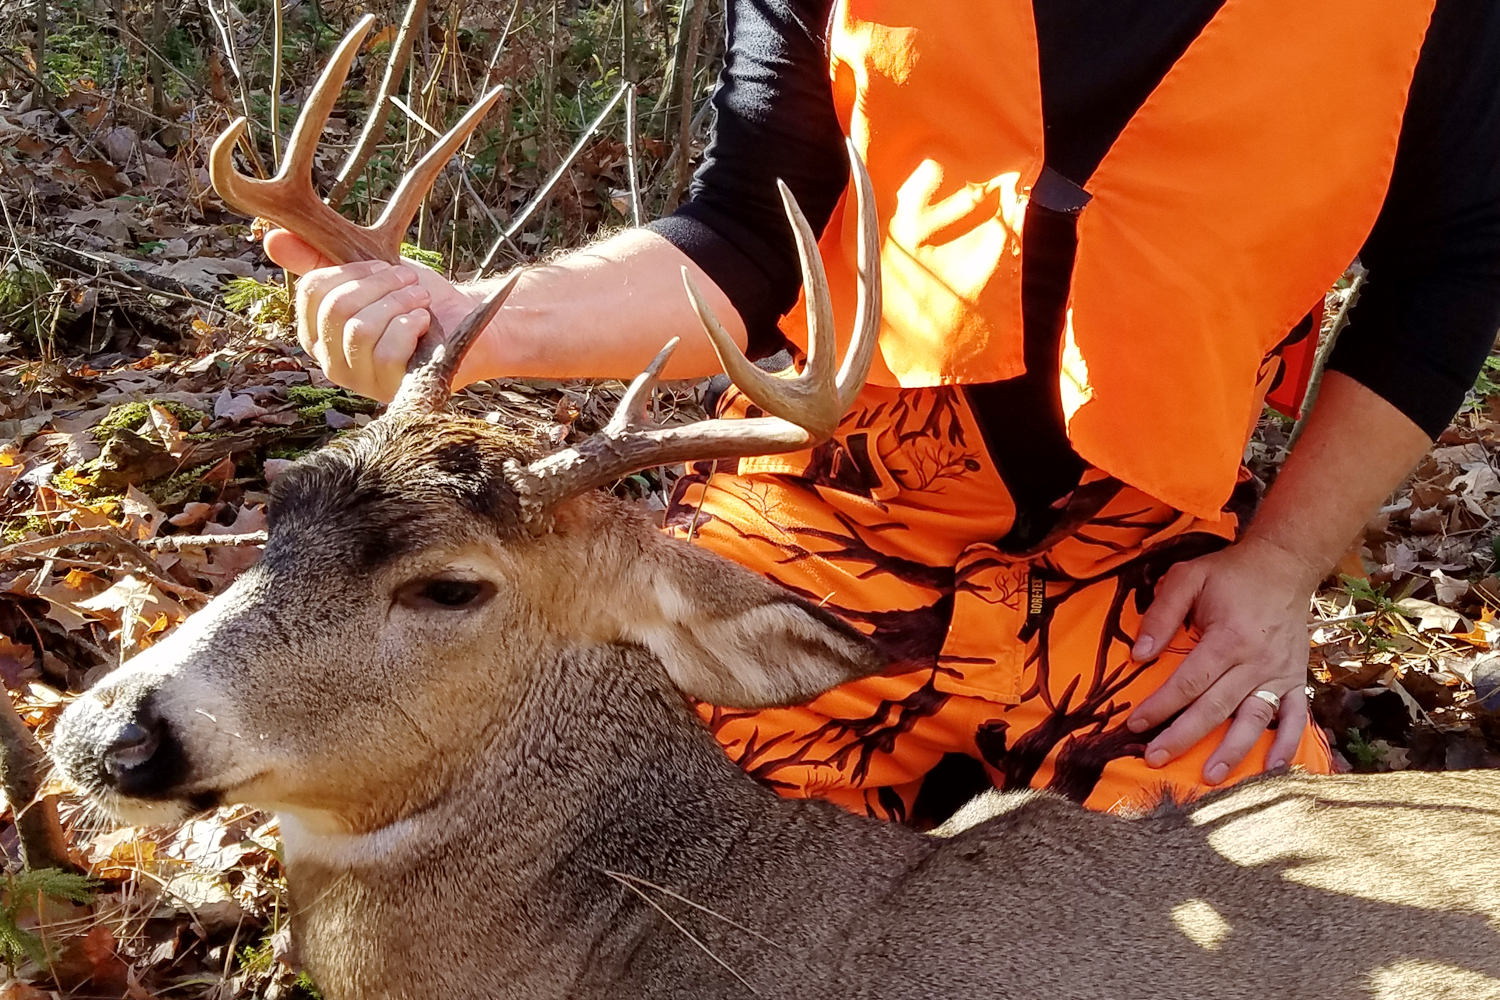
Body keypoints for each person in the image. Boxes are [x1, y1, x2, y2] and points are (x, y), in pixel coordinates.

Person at [262, 1, 1500, 821]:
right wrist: (480, 322)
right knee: (561, 802)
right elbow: (744, 233)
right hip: (826, 524)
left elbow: (1455, 267)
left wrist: (1280, 567)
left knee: (1281, 874)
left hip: (1146, 569)